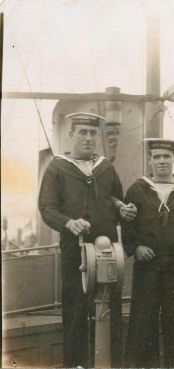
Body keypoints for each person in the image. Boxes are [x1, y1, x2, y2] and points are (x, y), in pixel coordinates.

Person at [38, 112, 137, 368]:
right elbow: (47, 208)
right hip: (75, 252)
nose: (89, 138)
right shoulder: (56, 168)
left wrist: (121, 209)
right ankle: (76, 365)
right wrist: (69, 223)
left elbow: (114, 198)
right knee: (76, 311)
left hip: (107, 252)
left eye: (93, 133)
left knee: (109, 309)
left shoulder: (105, 168)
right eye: (82, 132)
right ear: (70, 136)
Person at [122, 138, 174, 368]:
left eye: (166, 157)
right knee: (142, 324)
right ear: (150, 160)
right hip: (147, 268)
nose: (162, 161)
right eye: (157, 157)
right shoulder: (137, 189)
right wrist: (136, 247)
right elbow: (127, 223)